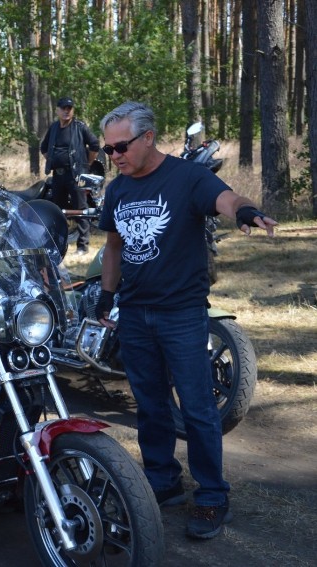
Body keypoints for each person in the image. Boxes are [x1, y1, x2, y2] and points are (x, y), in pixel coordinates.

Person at [94, 101, 277, 540]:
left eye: (121, 146)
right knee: (150, 406)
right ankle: (163, 481)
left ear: (148, 137)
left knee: (196, 410)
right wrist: (106, 295)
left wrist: (246, 211)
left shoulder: (187, 177)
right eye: (108, 149)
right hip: (135, 314)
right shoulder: (118, 190)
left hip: (181, 313)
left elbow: (226, 197)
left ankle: (213, 496)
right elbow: (115, 248)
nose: (115, 155)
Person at [40, 96, 100, 255]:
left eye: (69, 108)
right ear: (57, 110)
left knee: (81, 210)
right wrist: (52, 160)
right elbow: (44, 148)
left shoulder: (80, 127)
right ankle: (59, 244)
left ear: (73, 110)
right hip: (58, 176)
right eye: (63, 108)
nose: (66, 111)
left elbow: (95, 145)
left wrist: (86, 164)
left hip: (77, 175)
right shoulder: (53, 128)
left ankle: (82, 246)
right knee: (57, 210)